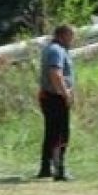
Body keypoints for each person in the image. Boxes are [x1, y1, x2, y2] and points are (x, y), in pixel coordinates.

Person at [37, 23, 76, 181]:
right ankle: (60, 170)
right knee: (61, 134)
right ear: (62, 35)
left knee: (51, 134)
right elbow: (55, 73)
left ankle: (46, 168)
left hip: (49, 96)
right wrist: (65, 93)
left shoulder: (50, 49)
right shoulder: (56, 50)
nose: (73, 39)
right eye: (71, 35)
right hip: (56, 97)